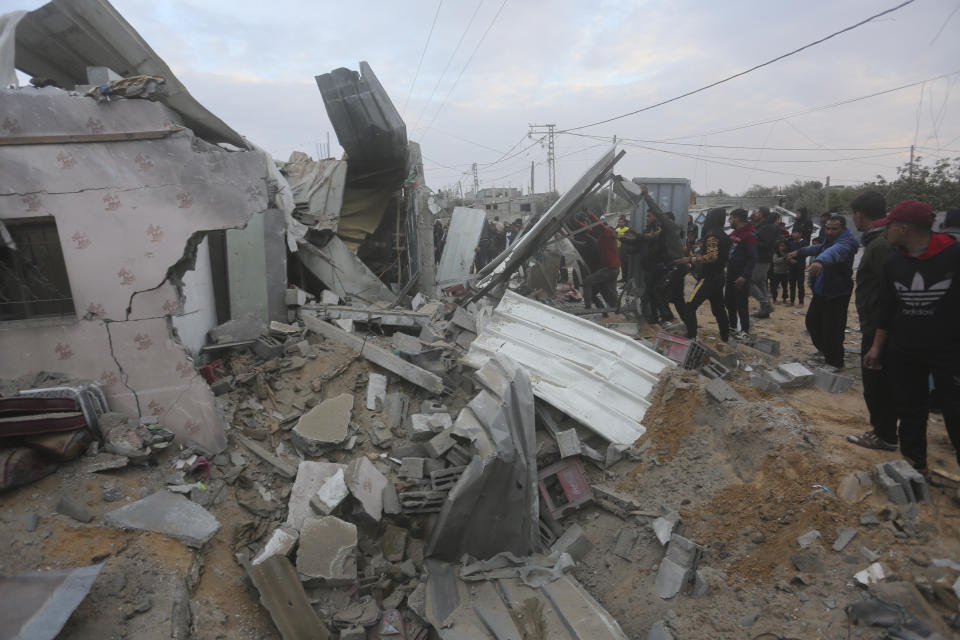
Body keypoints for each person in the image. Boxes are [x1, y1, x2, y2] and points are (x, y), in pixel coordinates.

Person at [863, 200, 960, 474]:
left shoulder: (954, 255)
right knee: (910, 409)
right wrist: (876, 348)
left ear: (904, 229)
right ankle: (915, 465)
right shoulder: (894, 262)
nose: (885, 232)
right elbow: (888, 310)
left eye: (889, 226)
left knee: (955, 411)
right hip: (905, 350)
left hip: (950, 351)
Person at [845, 191, 900, 451]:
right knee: (879, 383)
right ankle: (883, 430)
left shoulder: (879, 245)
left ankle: (884, 435)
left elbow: (891, 291)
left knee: (876, 384)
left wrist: (879, 333)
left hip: (878, 326)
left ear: (859, 215)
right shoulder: (878, 242)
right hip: (878, 323)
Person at [790, 215, 859, 368]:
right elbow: (819, 248)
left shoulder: (846, 243)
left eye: (834, 229)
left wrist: (820, 261)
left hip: (837, 291)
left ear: (843, 229)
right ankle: (824, 351)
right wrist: (800, 252)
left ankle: (835, 362)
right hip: (822, 290)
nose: (829, 232)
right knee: (813, 322)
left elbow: (834, 252)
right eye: (827, 228)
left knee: (833, 328)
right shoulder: (829, 241)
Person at [676, 207, 730, 341]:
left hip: (709, 279)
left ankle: (691, 337)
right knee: (719, 310)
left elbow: (712, 257)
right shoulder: (724, 235)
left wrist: (691, 259)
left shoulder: (713, 236)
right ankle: (725, 337)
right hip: (719, 276)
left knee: (690, 307)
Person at [639, 184, 688, 326]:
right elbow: (651, 238)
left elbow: (658, 212)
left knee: (658, 292)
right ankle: (687, 325)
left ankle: (670, 319)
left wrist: (647, 196)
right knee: (677, 298)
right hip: (676, 266)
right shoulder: (666, 233)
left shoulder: (671, 228)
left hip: (678, 266)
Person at [573, 211, 620, 313]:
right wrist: (575, 222)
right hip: (613, 268)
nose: (593, 228)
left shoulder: (607, 233)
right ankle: (617, 310)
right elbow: (587, 229)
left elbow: (598, 224)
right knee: (611, 291)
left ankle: (588, 308)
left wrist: (589, 214)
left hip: (610, 268)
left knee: (587, 282)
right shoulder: (600, 235)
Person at [725, 209, 756, 337]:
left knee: (741, 304)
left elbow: (752, 258)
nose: (729, 221)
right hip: (731, 273)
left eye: (731, 218)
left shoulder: (749, 235)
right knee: (729, 302)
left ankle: (745, 331)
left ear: (737, 219)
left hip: (741, 275)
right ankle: (732, 327)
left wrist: (744, 276)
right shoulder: (734, 233)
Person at [750, 207, 778, 318]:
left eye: (757, 212)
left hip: (762, 259)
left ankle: (765, 305)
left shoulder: (768, 227)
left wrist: (751, 241)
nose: (755, 213)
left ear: (761, 214)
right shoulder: (763, 225)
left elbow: (766, 244)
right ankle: (765, 309)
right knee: (760, 283)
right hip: (759, 258)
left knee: (749, 281)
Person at [787, 229, 807, 306]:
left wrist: (796, 257)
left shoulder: (804, 243)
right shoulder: (790, 243)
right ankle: (792, 301)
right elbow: (787, 253)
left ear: (800, 233)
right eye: (792, 233)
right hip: (791, 267)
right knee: (792, 285)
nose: (793, 234)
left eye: (795, 233)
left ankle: (801, 302)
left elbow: (805, 253)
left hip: (800, 266)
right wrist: (790, 259)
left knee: (800, 285)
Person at [770, 239, 791, 304]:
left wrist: (788, 260)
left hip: (785, 273)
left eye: (783, 246)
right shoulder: (776, 253)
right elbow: (775, 261)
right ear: (778, 246)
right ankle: (774, 299)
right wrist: (784, 258)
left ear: (786, 246)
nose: (782, 247)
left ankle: (784, 299)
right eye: (781, 246)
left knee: (785, 287)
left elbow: (788, 261)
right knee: (775, 287)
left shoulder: (787, 253)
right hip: (776, 273)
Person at [615, 216, 631, 282]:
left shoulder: (627, 229)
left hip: (625, 248)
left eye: (622, 222)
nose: (620, 223)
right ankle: (623, 278)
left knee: (626, 263)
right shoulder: (616, 230)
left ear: (624, 223)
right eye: (619, 222)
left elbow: (627, 237)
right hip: (618, 248)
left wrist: (620, 236)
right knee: (621, 264)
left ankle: (626, 278)